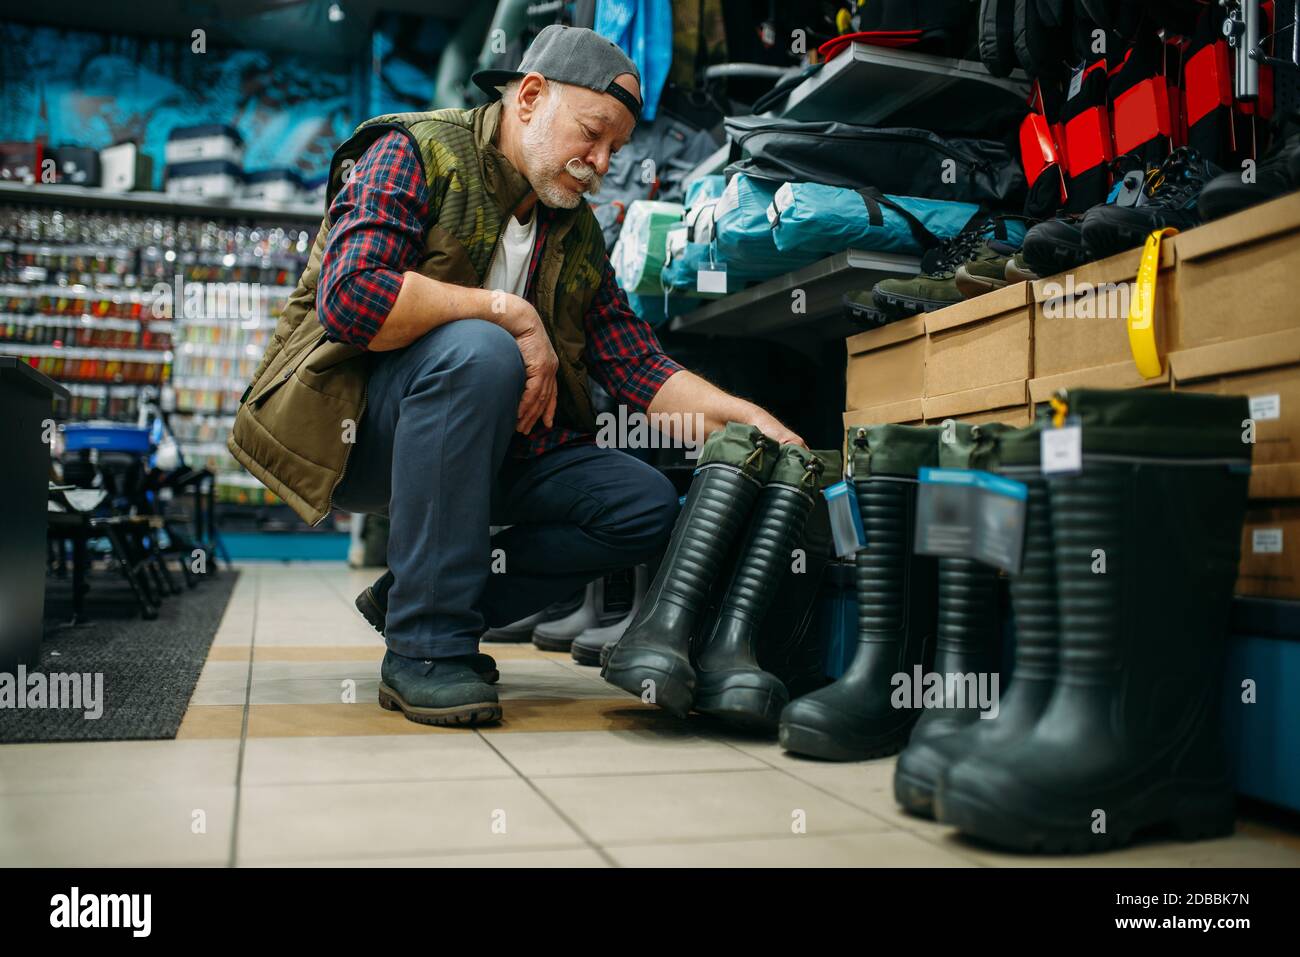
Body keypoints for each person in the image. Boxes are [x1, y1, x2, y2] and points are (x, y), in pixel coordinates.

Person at [228, 25, 802, 727]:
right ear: (530, 96)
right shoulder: (412, 151)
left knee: (642, 505)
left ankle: (422, 591)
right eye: (591, 135)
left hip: (483, 444)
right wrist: (513, 314)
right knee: (483, 347)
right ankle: (426, 649)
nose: (600, 163)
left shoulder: (576, 232)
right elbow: (354, 299)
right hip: (354, 433)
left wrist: (753, 425)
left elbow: (639, 366)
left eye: (614, 150)